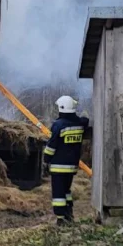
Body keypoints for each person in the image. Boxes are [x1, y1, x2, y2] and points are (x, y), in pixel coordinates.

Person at [43, 95, 89, 225]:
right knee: (66, 191)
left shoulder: (58, 125)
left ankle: (60, 218)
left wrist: (46, 159)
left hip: (58, 166)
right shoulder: (79, 123)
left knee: (58, 193)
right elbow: (85, 120)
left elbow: (51, 146)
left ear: (61, 108)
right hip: (72, 166)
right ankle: (69, 214)